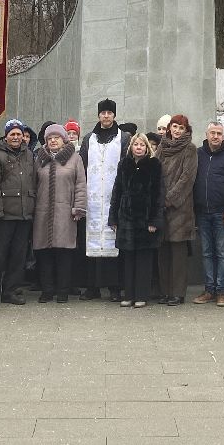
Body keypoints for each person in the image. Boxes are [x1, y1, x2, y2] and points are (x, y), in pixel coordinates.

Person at [0, 119, 36, 308]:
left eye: (18, 134)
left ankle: (11, 291)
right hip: (3, 215)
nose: (15, 137)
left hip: (23, 215)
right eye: (12, 134)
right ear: (6, 136)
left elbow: (33, 181)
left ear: (23, 136)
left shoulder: (29, 155)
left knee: (18, 256)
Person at [79, 99, 125, 301]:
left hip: (114, 198)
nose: (106, 116)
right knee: (91, 241)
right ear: (98, 115)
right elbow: (81, 168)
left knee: (113, 242)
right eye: (103, 113)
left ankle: (114, 287)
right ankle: (92, 287)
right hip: (92, 199)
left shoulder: (124, 138)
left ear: (114, 115)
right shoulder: (89, 139)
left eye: (109, 112)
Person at [33, 123, 85, 304]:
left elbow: (80, 185)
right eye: (49, 138)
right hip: (43, 212)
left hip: (65, 212)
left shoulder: (75, 159)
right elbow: (33, 184)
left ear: (63, 140)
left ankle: (63, 291)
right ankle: (47, 290)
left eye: (56, 137)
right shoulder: (39, 159)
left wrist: (79, 207)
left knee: (64, 253)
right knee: (44, 253)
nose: (53, 141)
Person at [110, 131, 163, 308]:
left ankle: (142, 295)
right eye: (136, 144)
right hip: (126, 219)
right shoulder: (124, 164)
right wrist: (114, 218)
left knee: (144, 260)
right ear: (131, 147)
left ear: (147, 147)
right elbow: (117, 191)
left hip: (145, 219)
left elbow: (158, 194)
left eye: (142, 144)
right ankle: (129, 294)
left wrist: (154, 221)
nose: (138, 147)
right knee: (128, 259)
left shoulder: (154, 164)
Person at [152, 115, 196, 307]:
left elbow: (187, 178)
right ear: (169, 128)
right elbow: (154, 171)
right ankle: (165, 290)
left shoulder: (189, 149)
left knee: (178, 253)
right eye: (174, 127)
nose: (177, 130)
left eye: (181, 128)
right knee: (163, 252)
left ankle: (177, 292)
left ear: (186, 131)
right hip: (161, 206)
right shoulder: (162, 146)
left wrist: (169, 198)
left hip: (180, 208)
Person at [193, 121, 224, 306]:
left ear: (223, 136)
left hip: (222, 213)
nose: (216, 136)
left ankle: (222, 291)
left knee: (222, 253)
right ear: (207, 134)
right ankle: (209, 289)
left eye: (219, 133)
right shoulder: (198, 155)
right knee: (206, 253)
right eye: (213, 133)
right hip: (202, 212)